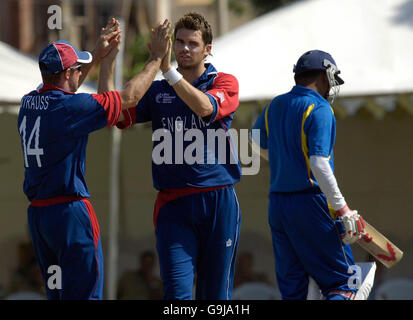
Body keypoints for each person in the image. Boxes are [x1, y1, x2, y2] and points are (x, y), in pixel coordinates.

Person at [17, 18, 171, 300]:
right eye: (77, 69)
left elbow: (67, 88)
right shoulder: (70, 108)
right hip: (70, 214)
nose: (80, 74)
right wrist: (156, 58)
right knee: (86, 295)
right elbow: (130, 96)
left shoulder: (28, 103)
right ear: (68, 73)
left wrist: (98, 58)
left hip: (39, 217)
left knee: (59, 294)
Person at [116, 12, 241, 300]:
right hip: (173, 204)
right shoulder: (158, 89)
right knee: (177, 297)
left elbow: (205, 108)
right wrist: (108, 61)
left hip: (217, 201)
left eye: (193, 43)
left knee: (216, 298)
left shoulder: (224, 82)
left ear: (207, 49)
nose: (184, 48)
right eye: (179, 42)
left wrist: (166, 69)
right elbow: (116, 113)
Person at [251, 50, 366, 300]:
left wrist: (285, 161)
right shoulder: (320, 108)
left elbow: (254, 141)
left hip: (278, 206)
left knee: (296, 291)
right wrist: (343, 209)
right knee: (343, 284)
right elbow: (319, 164)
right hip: (311, 204)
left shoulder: (275, 105)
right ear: (326, 75)